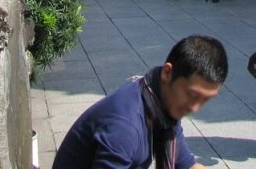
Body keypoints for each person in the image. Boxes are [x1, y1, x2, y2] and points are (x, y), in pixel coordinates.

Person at [52, 35, 228, 169]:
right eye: (192, 95)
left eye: (205, 100)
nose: (195, 107)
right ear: (167, 73)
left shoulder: (161, 104)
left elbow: (186, 164)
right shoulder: (124, 127)